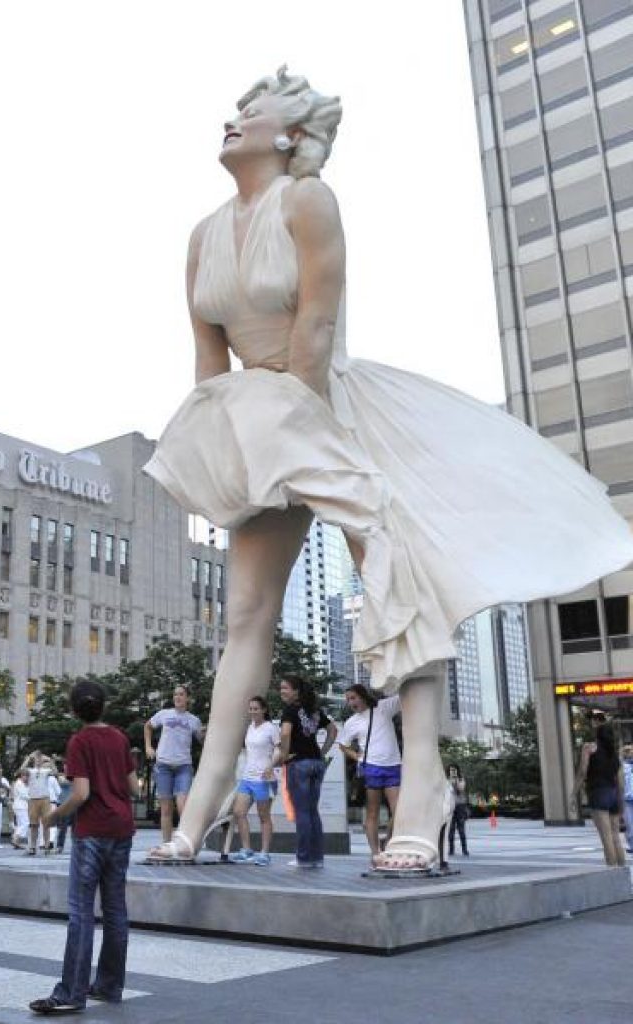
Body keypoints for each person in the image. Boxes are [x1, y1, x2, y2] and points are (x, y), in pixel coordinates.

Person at [140, 65, 633, 870]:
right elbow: (209, 365)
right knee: (244, 618)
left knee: (399, 585)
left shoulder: (307, 202)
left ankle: (426, 790)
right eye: (234, 110)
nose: (234, 118)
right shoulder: (200, 236)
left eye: (251, 111)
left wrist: (291, 439)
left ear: (290, 135)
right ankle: (204, 806)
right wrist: (228, 462)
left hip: (325, 407)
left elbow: (317, 326)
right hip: (254, 421)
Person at [29, 680, 139, 1015]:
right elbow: (134, 788)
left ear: (75, 710)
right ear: (103, 706)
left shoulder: (79, 741)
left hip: (91, 832)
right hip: (122, 829)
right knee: (116, 910)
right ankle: (108, 985)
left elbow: (80, 794)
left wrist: (53, 818)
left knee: (80, 912)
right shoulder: (120, 738)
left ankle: (71, 993)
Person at [337, 684, 402, 863]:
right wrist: (357, 756)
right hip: (371, 767)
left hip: (393, 765)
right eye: (348, 699)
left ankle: (387, 842)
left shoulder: (383, 707)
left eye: (353, 698)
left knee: (399, 811)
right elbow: (343, 745)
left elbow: (404, 695)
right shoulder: (352, 722)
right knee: (372, 812)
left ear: (363, 696)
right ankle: (375, 853)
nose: (351, 702)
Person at [278, 677, 337, 869]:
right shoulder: (314, 710)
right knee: (312, 812)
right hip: (316, 763)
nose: (282, 691)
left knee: (302, 812)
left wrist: (285, 755)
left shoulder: (291, 710)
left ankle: (303, 858)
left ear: (296, 691)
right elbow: (333, 730)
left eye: (285, 687)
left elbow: (285, 733)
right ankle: (317, 858)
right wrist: (322, 752)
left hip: (299, 764)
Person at [144, 685, 204, 850]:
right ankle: (167, 844)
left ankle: (184, 843)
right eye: (175, 694)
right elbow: (148, 726)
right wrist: (148, 747)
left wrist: (206, 733)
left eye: (181, 694)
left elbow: (203, 741)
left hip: (183, 766)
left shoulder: (194, 720)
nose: (177, 697)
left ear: (187, 698)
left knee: (182, 805)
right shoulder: (164, 714)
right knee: (166, 807)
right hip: (163, 765)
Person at [228, 695, 281, 866]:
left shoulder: (271, 728)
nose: (253, 711)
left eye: (256, 708)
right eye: (251, 708)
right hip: (247, 777)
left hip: (263, 778)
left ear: (264, 710)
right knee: (238, 812)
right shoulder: (249, 727)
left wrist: (271, 766)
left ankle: (264, 853)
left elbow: (279, 750)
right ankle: (246, 849)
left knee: (263, 816)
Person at [574, 712, 626, 867]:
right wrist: (621, 802)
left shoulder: (589, 748)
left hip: (598, 793)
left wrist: (573, 793)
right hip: (613, 794)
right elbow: (621, 782)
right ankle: (624, 875)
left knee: (606, 838)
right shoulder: (614, 755)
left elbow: (583, 771)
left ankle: (611, 875)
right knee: (616, 837)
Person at [23, 751, 56, 855]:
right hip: (33, 799)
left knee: (46, 824)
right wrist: (28, 758)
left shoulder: (45, 770)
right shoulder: (30, 770)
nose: (38, 760)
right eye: (37, 759)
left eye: (40, 759)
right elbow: (21, 770)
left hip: (45, 799)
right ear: (34, 760)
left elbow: (55, 772)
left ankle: (47, 846)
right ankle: (33, 847)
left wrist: (50, 760)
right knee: (33, 825)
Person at [447, 764, 469, 858]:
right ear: (449, 771)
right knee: (451, 830)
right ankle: (451, 850)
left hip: (460, 806)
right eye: (451, 770)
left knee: (461, 829)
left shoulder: (461, 779)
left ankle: (464, 849)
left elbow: (461, 789)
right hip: (450, 806)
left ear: (457, 771)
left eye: (455, 770)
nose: (453, 772)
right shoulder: (446, 780)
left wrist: (455, 781)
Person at [11, 769, 30, 849]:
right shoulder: (19, 783)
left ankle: (17, 842)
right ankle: (15, 837)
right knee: (25, 823)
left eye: (27, 776)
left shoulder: (22, 783)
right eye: (25, 776)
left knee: (20, 823)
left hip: (21, 806)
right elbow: (24, 795)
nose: (26, 778)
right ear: (21, 776)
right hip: (20, 806)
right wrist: (33, 798)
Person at [623, 744, 633, 856]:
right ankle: (631, 845)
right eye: (628, 752)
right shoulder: (623, 767)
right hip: (627, 799)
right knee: (629, 824)